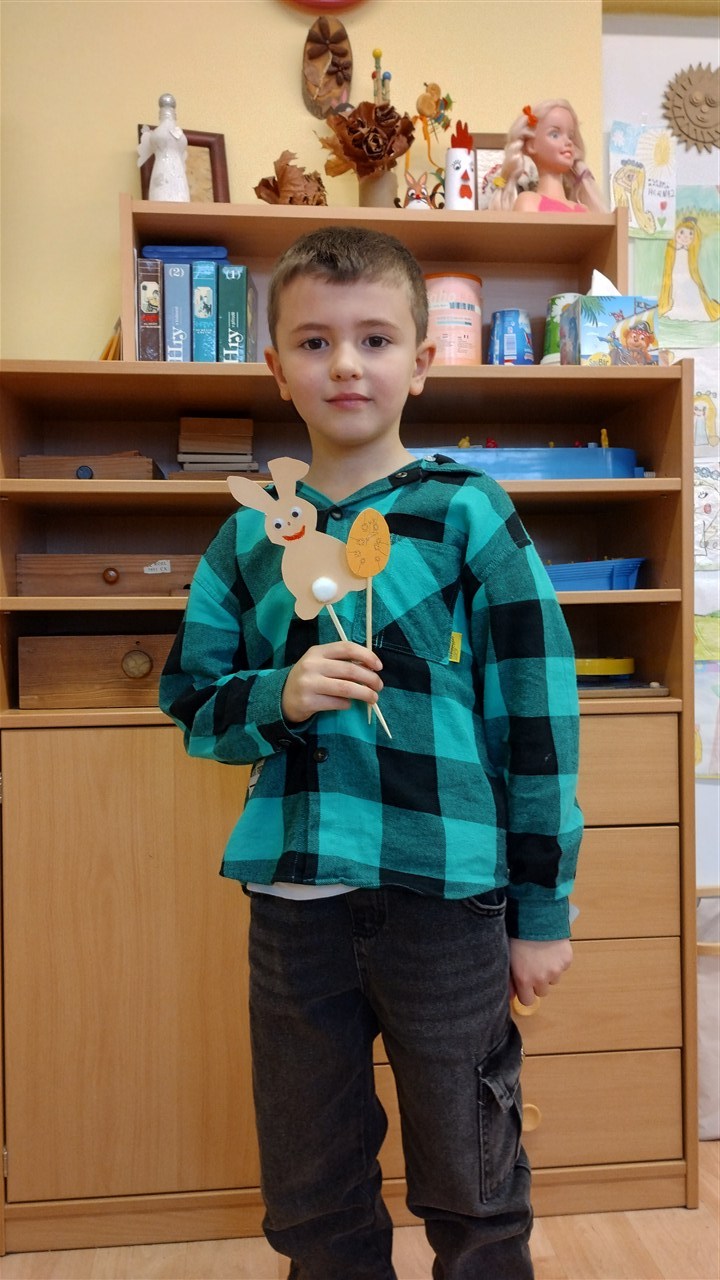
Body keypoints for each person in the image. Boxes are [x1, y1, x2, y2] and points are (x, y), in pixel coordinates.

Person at [159, 225, 583, 1280]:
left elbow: (538, 719)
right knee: (313, 1187)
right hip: (294, 908)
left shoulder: (467, 512)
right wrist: (281, 693)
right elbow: (193, 701)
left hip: (447, 901)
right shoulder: (249, 537)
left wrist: (541, 911)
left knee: (474, 1175)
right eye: (315, 341)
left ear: (421, 362)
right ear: (277, 368)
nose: (346, 364)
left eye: (376, 339)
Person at [490, 99, 606, 213]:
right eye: (554, 135)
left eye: (570, 136)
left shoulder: (583, 210)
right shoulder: (529, 202)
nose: (568, 142)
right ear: (531, 145)